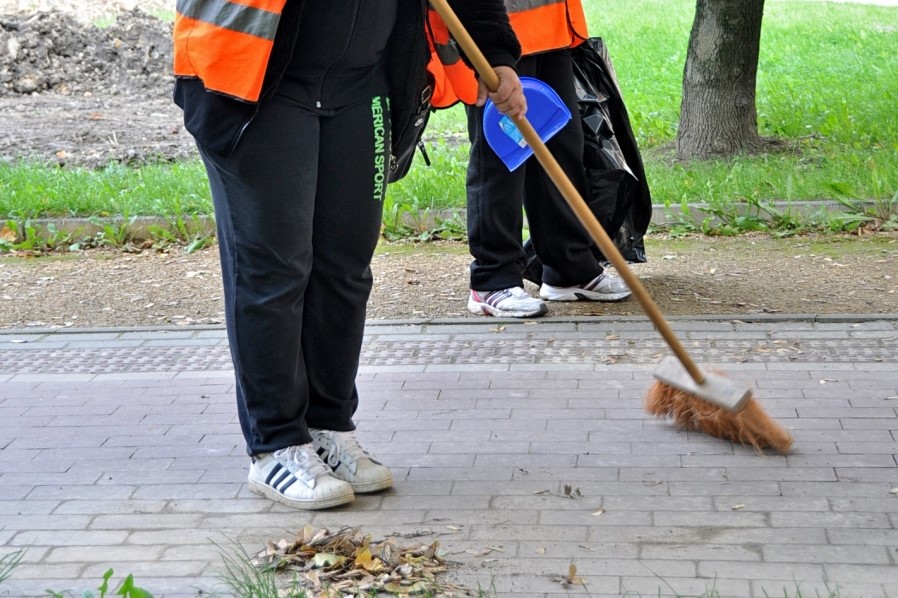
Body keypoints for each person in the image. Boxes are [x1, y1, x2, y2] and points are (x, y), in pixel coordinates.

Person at [172, 0, 525, 510]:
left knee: (346, 268)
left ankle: (328, 426)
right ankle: (276, 445)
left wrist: (497, 55)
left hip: (363, 86)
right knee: (275, 272)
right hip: (256, 83)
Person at [465, 0, 632, 319]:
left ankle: (567, 267)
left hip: (553, 29)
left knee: (562, 145)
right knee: (501, 157)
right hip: (495, 29)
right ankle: (493, 278)